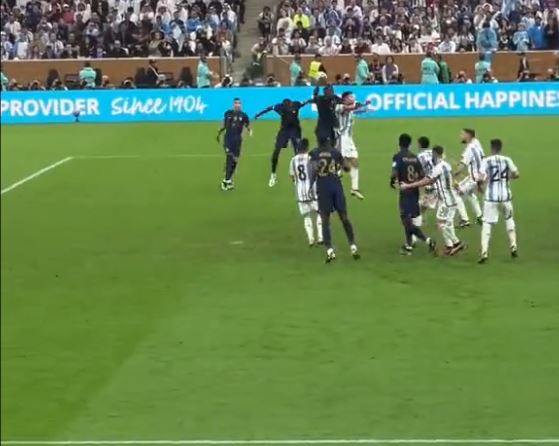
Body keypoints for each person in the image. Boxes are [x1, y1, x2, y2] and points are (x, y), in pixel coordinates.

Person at [401, 145, 465, 257]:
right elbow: (447, 179)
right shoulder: (446, 165)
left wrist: (409, 185)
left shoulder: (438, 168)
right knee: (446, 223)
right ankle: (450, 247)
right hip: (450, 198)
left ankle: (457, 243)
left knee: (441, 223)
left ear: (435, 154)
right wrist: (457, 186)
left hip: (447, 201)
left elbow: (427, 181)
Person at [310, 138, 359, 263]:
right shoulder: (335, 152)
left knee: (325, 219)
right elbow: (347, 168)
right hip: (336, 186)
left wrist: (311, 186)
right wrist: (342, 163)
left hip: (323, 187)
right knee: (344, 217)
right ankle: (353, 246)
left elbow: (313, 170)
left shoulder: (314, 153)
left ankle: (330, 250)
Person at [391, 133, 437, 256]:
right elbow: (422, 174)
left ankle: (427, 241)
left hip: (405, 191)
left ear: (399, 143)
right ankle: (409, 245)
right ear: (409, 144)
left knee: (406, 220)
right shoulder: (414, 157)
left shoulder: (398, 156)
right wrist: (415, 182)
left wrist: (392, 181)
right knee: (411, 218)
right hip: (414, 190)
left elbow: (394, 172)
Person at [477, 139, 520, 264]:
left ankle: (484, 252)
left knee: (487, 223)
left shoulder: (486, 160)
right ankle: (513, 245)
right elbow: (517, 174)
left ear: (491, 148)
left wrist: (480, 185)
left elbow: (480, 177)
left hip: (491, 198)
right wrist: (507, 177)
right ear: (500, 148)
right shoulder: (507, 159)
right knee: (509, 219)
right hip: (506, 196)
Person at [254, 98, 312, 187]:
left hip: (295, 130)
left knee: (297, 152)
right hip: (284, 131)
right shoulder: (280, 107)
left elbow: (305, 102)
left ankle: (298, 175)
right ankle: (273, 175)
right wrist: (259, 114)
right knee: (276, 151)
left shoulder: (296, 104)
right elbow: (269, 108)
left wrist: (314, 98)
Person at [335, 91, 370, 199]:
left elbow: (355, 110)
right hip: (340, 137)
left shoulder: (351, 107)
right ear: (345, 98)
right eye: (350, 96)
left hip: (349, 139)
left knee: (354, 161)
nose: (353, 98)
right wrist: (361, 105)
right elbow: (350, 108)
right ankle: (336, 175)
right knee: (342, 163)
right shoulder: (339, 107)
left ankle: (354, 189)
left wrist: (365, 106)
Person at [289, 138, 323, 246]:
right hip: (313, 191)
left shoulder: (293, 160)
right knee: (319, 212)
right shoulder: (311, 158)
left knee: (306, 216)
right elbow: (317, 171)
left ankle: (311, 239)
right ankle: (321, 237)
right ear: (307, 147)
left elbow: (291, 175)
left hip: (300, 193)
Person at [217, 98, 252, 191]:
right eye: (236, 103)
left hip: (237, 141)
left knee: (235, 161)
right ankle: (225, 181)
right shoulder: (228, 113)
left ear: (241, 105)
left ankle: (228, 181)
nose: (237, 105)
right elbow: (223, 124)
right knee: (230, 158)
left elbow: (248, 124)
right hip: (228, 140)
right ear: (233, 104)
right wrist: (219, 133)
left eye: (239, 103)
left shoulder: (243, 115)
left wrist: (250, 130)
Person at [454, 128, 485, 226]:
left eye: (463, 134)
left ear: (468, 135)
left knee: (456, 193)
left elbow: (462, 166)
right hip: (480, 176)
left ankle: (464, 219)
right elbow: (483, 158)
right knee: (470, 194)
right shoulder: (477, 143)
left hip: (473, 178)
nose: (461, 136)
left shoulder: (469, 149)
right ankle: (480, 216)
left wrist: (454, 173)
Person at [416, 136, 437, 222]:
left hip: (430, 180)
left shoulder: (420, 156)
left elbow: (419, 170)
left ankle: (442, 220)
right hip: (438, 178)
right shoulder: (433, 152)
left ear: (420, 145)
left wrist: (418, 180)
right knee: (426, 200)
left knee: (432, 200)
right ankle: (421, 217)